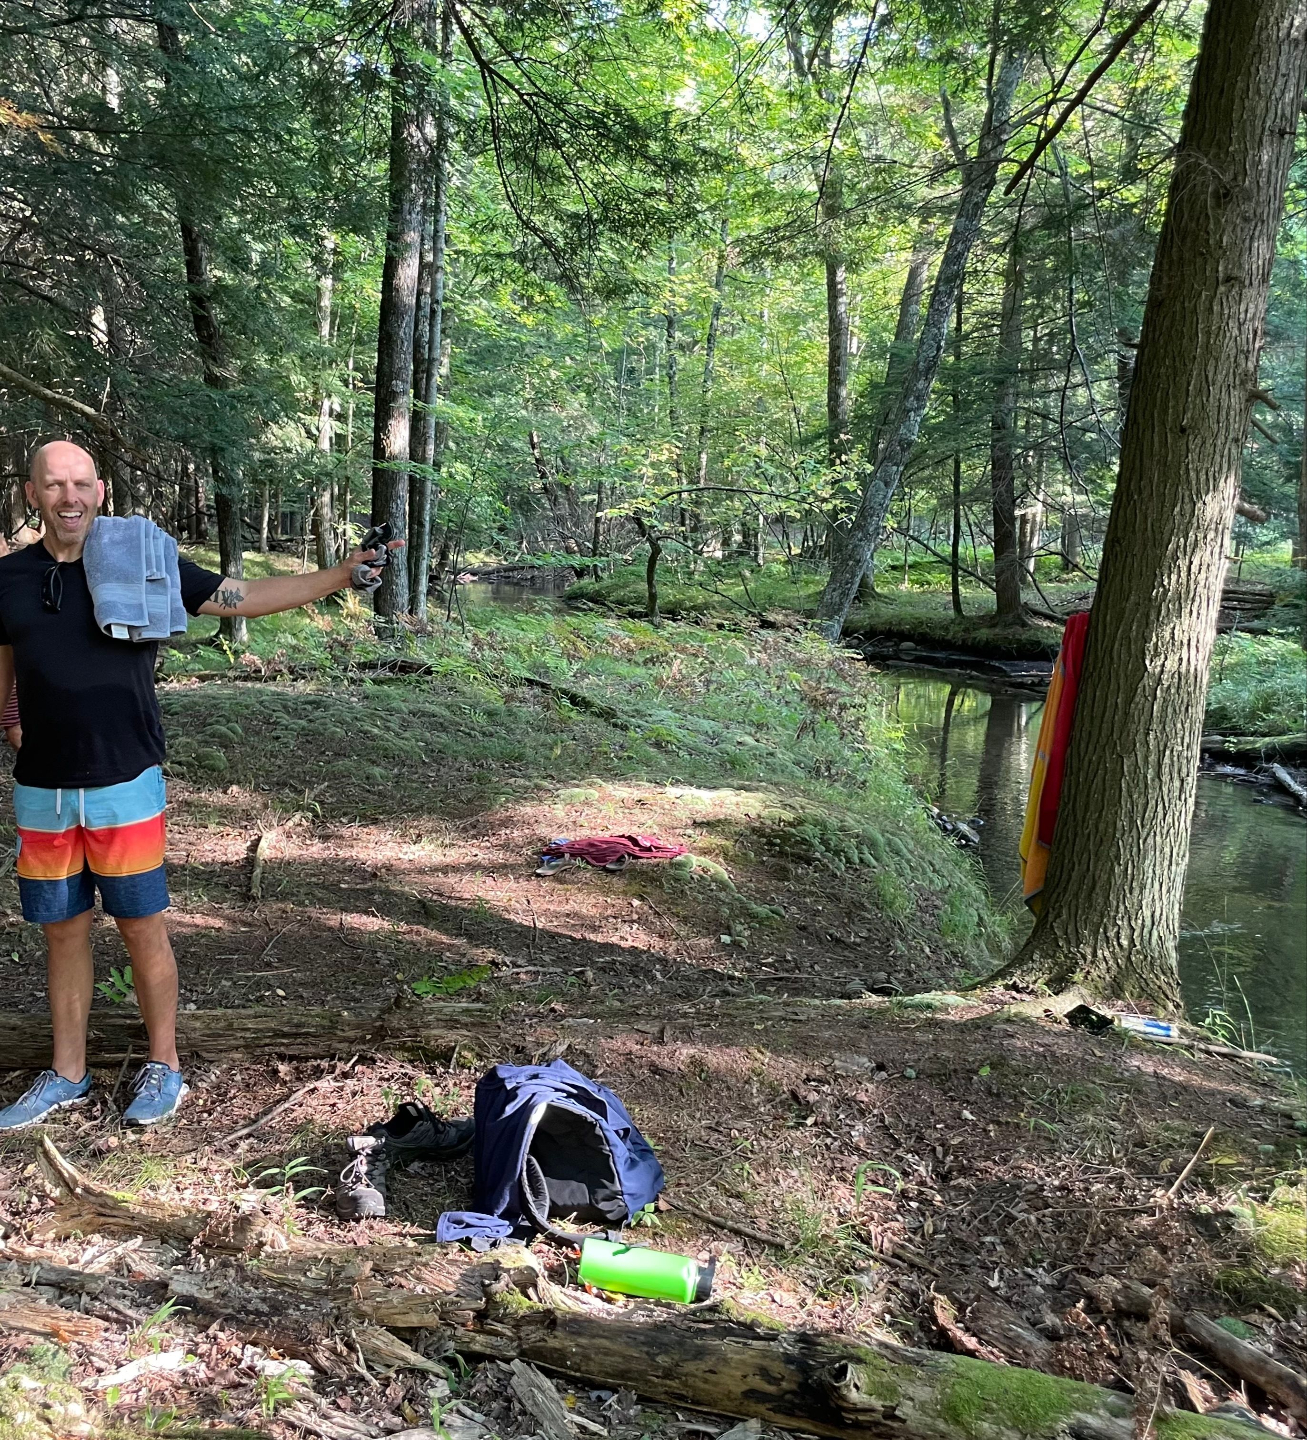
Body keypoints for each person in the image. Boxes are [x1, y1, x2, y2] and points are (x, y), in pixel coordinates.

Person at [0, 441, 401, 1130]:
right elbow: (7, 656)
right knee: (62, 933)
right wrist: (9, 715)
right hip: (44, 790)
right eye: (53, 485)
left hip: (125, 781)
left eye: (80, 484)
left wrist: (339, 576)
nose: (69, 497)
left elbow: (238, 597)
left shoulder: (139, 559)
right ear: (31, 495)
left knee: (140, 926)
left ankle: (165, 1067)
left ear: (100, 490)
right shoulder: (7, 578)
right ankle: (67, 1073)